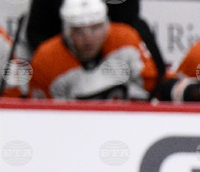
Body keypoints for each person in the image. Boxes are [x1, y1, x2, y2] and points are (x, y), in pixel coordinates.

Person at [28, 0, 157, 100]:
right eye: (78, 30)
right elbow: (42, 112)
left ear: (107, 26)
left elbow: (152, 87)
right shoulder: (46, 58)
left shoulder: (126, 40)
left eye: (95, 28)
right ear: (66, 32)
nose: (88, 38)